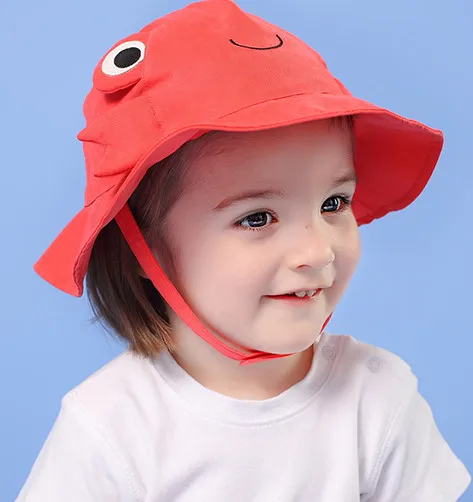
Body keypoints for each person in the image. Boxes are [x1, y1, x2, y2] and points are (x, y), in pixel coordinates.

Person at [17, 0, 471, 500]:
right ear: (141, 248)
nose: (318, 251)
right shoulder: (111, 430)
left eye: (334, 203)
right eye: (257, 218)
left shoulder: (378, 399)